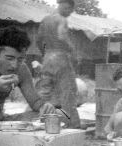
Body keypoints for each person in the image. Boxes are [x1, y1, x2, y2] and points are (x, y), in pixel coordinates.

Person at [36, 0, 81, 128]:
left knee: (44, 91)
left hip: (48, 58)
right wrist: (73, 51)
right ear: (65, 5)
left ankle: (40, 120)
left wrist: (45, 54)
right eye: (69, 10)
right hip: (61, 58)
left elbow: (38, 40)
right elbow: (62, 37)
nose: (69, 13)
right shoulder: (61, 19)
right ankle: (74, 125)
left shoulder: (45, 19)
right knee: (68, 93)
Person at [0, 26, 56, 121]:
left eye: (20, 59)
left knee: (54, 116)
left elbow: (35, 102)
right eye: (9, 58)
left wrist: (45, 106)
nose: (14, 65)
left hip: (0, 119)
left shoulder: (22, 70)